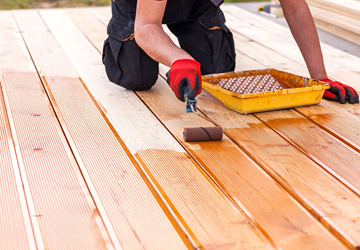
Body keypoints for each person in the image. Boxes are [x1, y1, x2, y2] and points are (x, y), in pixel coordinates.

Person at [102, 0, 359, 104]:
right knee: (136, 80)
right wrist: (178, 59)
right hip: (140, 10)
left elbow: (296, 9)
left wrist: (320, 77)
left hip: (197, 7)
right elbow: (147, 26)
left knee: (216, 75)